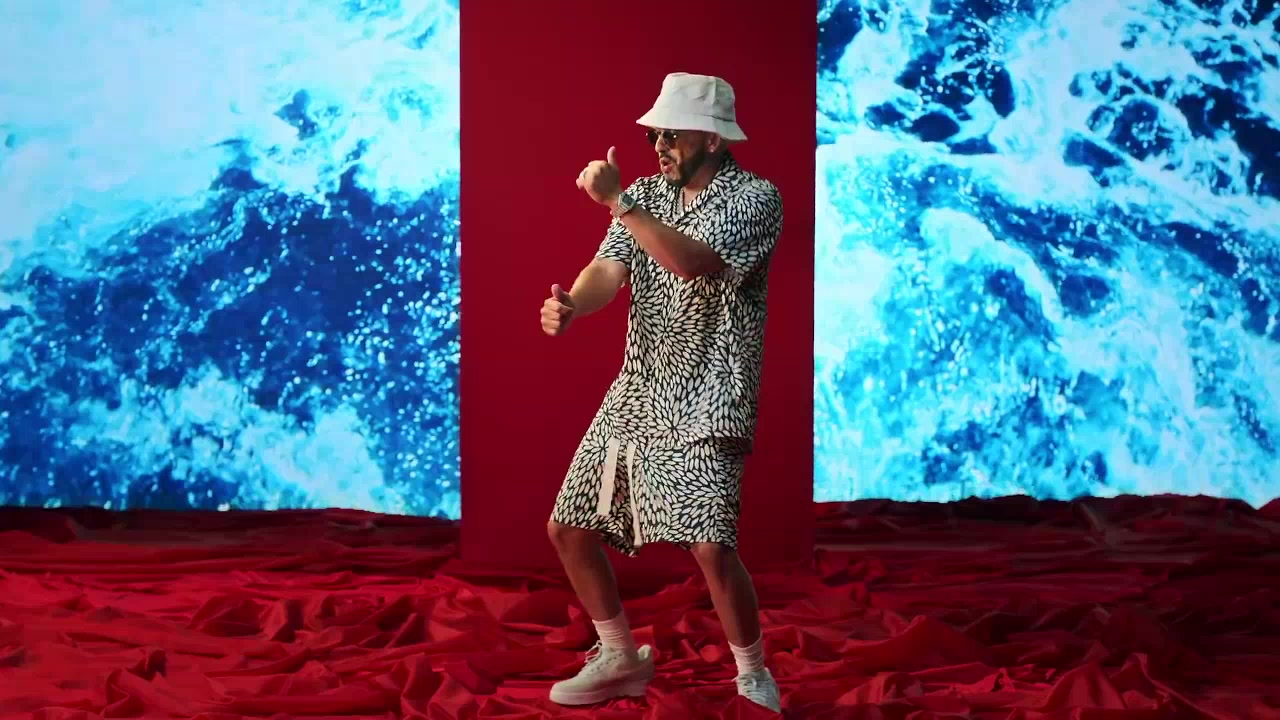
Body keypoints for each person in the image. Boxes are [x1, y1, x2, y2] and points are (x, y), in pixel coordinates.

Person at [538, 72, 784, 713]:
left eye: (672, 134)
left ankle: (753, 675)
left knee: (711, 545)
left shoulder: (756, 199)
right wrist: (574, 305)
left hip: (713, 391)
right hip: (641, 387)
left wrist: (620, 204)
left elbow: (691, 261)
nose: (659, 145)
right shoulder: (647, 194)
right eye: (655, 134)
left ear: (713, 139)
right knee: (569, 528)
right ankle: (619, 656)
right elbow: (608, 269)